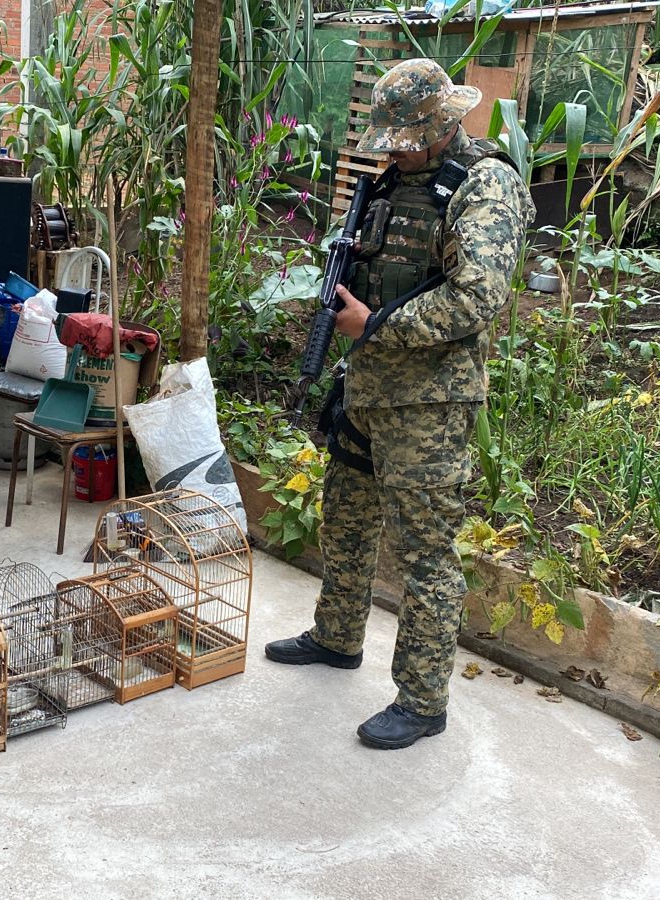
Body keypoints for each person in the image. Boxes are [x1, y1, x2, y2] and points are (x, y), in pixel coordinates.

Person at [264, 58, 535, 749]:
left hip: (429, 404)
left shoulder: (485, 185)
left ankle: (421, 700)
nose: (400, 146)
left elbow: (478, 298)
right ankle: (336, 637)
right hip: (369, 385)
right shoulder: (391, 182)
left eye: (411, 134)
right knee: (346, 519)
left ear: (442, 124)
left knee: (425, 554)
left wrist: (376, 326)